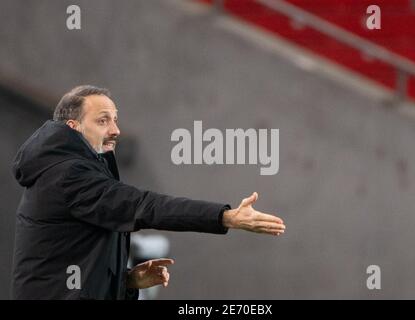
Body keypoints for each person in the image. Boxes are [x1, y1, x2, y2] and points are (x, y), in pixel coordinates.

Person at [11, 85, 286, 300]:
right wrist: (225, 217)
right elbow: (143, 205)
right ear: (73, 127)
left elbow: (76, 262)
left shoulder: (72, 170)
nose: (116, 130)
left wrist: (127, 282)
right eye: (103, 121)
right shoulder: (69, 176)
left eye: (115, 120)